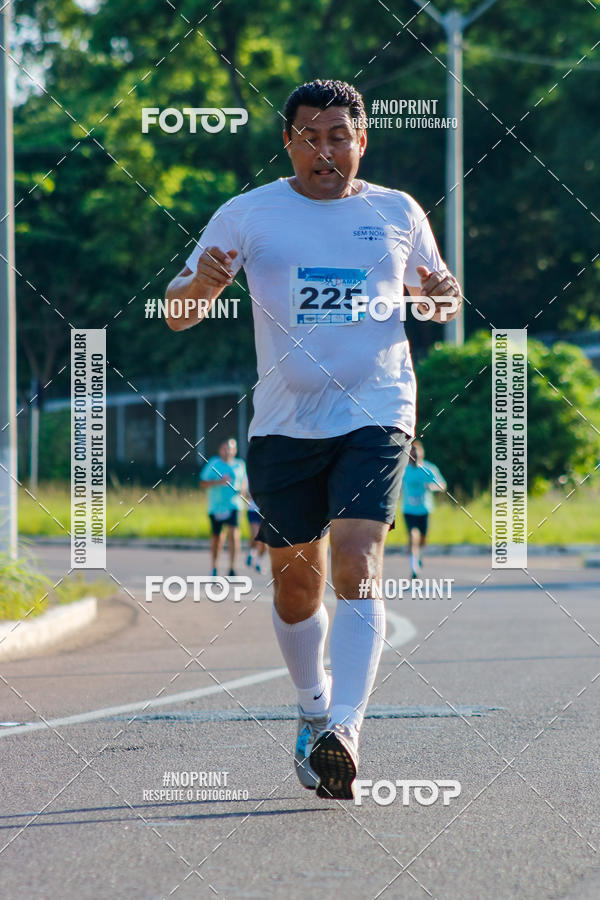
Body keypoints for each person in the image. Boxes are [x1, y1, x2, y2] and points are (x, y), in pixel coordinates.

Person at [165, 79, 462, 799]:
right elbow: (175, 313)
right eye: (309, 136)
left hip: (379, 407)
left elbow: (436, 298)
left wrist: (441, 293)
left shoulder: (397, 211)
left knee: (359, 554)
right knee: (297, 581)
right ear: (289, 143)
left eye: (338, 136)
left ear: (362, 140)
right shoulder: (247, 213)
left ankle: (346, 733)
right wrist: (199, 288)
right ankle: (312, 710)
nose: (324, 151)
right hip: (285, 420)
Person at [199, 438, 247, 576]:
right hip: (216, 507)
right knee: (217, 538)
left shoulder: (240, 465)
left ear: (235, 450)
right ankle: (214, 566)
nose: (228, 452)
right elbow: (202, 483)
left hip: (234, 505)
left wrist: (242, 490)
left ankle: (232, 567)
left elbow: (243, 482)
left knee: (234, 533)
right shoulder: (214, 463)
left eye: (230, 449)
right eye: (225, 449)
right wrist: (219, 482)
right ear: (220, 450)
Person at [402, 440, 447, 578]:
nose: (414, 454)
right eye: (412, 451)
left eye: (417, 451)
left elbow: (442, 485)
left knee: (422, 539)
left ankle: (419, 556)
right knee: (412, 536)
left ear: (422, 453)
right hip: (409, 510)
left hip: (425, 509)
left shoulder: (429, 469)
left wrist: (431, 487)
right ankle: (414, 567)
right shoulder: (403, 469)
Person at [246, 494, 267, 573]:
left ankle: (258, 562)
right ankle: (251, 552)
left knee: (265, 542)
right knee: (256, 535)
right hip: (253, 510)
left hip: (267, 512)